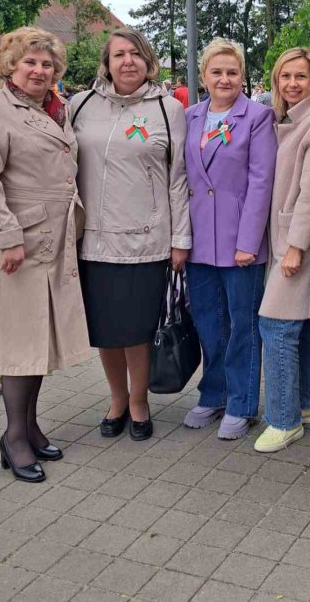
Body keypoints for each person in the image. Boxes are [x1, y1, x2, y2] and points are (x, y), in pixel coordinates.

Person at [0, 28, 90, 482]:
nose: (40, 70)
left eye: (47, 64)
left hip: (52, 239)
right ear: (10, 65)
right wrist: (7, 237)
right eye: (31, 62)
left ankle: (31, 427)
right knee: (19, 340)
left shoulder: (55, 108)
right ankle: (13, 437)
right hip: (16, 245)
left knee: (38, 337)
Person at [70, 28, 191, 442]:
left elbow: (178, 178)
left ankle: (139, 403)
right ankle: (116, 399)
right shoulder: (81, 105)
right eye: (119, 54)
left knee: (137, 331)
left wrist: (180, 239)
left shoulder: (167, 109)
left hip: (146, 240)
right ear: (106, 62)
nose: (127, 62)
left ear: (148, 61)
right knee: (106, 330)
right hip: (94, 241)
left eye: (135, 54)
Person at [183, 38, 277, 439]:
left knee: (242, 325)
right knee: (208, 322)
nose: (225, 79)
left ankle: (241, 401)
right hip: (199, 240)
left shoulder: (257, 117)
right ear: (203, 75)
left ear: (243, 76)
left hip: (240, 242)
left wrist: (249, 241)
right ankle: (213, 393)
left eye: (232, 72)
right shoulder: (188, 116)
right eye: (216, 71)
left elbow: (261, 182)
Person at [255, 47, 310, 453]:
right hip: (284, 237)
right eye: (285, 76)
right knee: (299, 322)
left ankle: (284, 420)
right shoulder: (288, 118)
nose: (291, 84)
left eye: (300, 76)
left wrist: (296, 246)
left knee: (276, 325)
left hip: (296, 241)